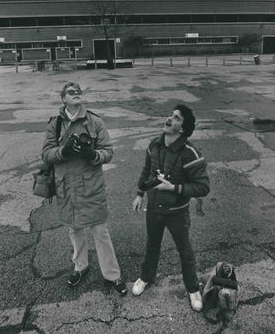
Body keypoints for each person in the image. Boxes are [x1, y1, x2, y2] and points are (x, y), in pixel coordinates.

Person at [41, 81, 127, 296]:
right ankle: (80, 267)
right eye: (71, 91)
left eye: (78, 91)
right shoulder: (56, 124)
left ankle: (112, 275)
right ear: (63, 99)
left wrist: (94, 155)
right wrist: (63, 151)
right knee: (75, 229)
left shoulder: (94, 121)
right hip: (66, 187)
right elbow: (46, 154)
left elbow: (108, 151)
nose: (76, 93)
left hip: (91, 185)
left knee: (100, 230)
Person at [132, 104, 209, 311]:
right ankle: (146, 277)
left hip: (177, 213)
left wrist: (174, 187)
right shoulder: (154, 144)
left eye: (176, 118)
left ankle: (193, 289)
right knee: (152, 245)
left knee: (185, 251)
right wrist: (140, 194)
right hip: (154, 208)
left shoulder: (190, 153)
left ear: (182, 129)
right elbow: (147, 170)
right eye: (170, 115)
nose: (169, 119)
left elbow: (203, 187)